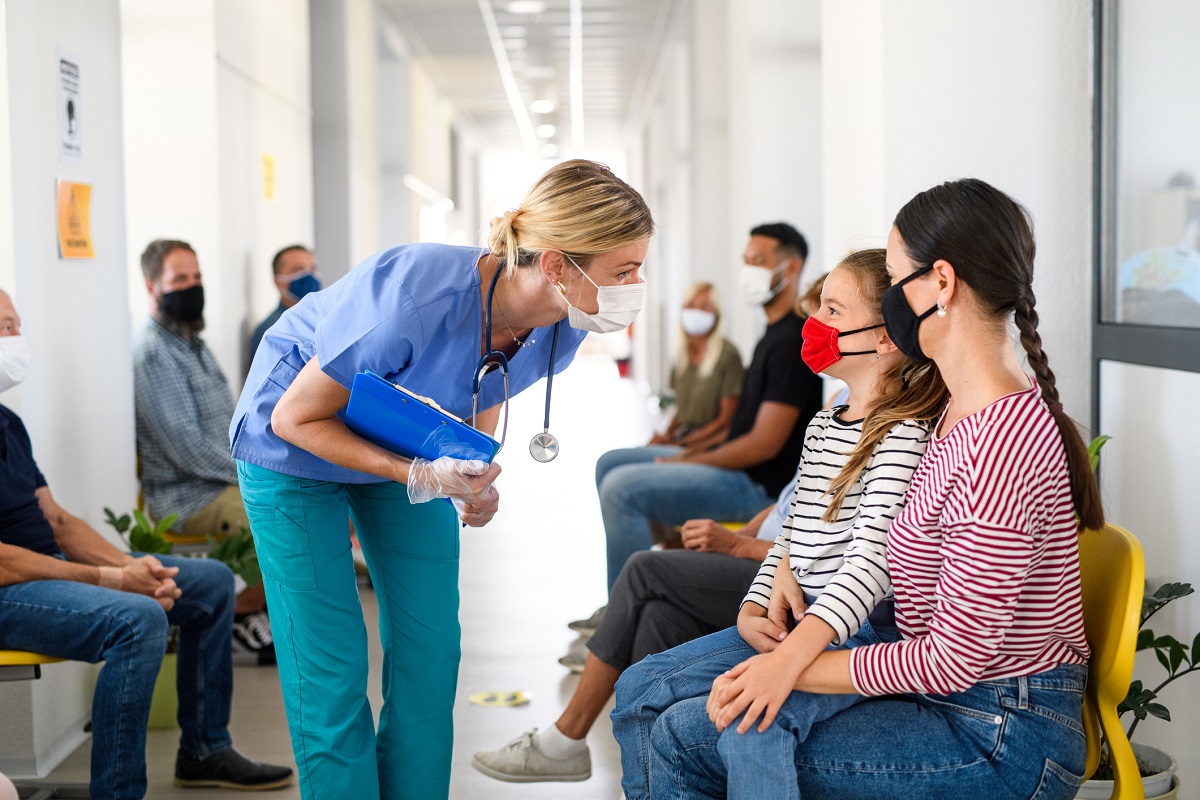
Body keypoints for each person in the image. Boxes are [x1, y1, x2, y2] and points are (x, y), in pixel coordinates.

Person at [632, 179, 1104, 800]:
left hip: (999, 733)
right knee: (683, 717)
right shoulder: (957, 411)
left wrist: (791, 667)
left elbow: (952, 660)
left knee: (687, 737)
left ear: (940, 283)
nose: (889, 304)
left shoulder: (999, 441)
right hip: (956, 702)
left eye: (894, 276)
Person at [229, 159, 654, 800]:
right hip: (292, 442)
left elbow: (480, 380)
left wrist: (470, 473)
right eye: (624, 270)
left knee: (432, 649)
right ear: (559, 266)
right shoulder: (414, 296)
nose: (636, 284)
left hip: (401, 432)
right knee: (330, 661)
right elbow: (296, 416)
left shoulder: (561, 325)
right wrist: (418, 472)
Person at [609, 247, 945, 798]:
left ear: (885, 339)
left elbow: (872, 565)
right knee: (639, 688)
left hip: (850, 638)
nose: (814, 325)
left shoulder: (903, 433)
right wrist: (751, 608)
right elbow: (793, 535)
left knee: (750, 723)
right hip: (793, 621)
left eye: (832, 312)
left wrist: (791, 655)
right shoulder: (825, 423)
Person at [0, 289, 293, 800]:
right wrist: (114, 579)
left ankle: (204, 751)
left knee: (212, 584)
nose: (17, 339)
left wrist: (138, 568)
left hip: (49, 565)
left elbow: (57, 521)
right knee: (136, 620)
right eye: (6, 327)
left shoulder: (8, 424)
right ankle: (118, 793)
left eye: (16, 326)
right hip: (11, 586)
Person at [473, 474, 794, 783]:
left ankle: (567, 737)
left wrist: (739, 545)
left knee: (643, 570)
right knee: (658, 615)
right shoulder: (824, 428)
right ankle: (650, 780)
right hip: (762, 552)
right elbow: (789, 502)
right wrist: (748, 531)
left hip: (783, 576)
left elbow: (820, 546)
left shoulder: (837, 430)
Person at [585, 222, 822, 615]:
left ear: (791, 269)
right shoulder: (771, 335)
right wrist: (682, 448)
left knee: (622, 489)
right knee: (610, 462)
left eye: (759, 262)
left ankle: (619, 616)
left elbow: (762, 444)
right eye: (746, 261)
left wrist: (685, 461)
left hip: (755, 487)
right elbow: (736, 426)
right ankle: (653, 572)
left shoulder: (793, 341)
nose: (749, 271)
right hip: (736, 469)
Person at [133, 239, 274, 664]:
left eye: (196, 277)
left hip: (219, 481)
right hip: (187, 496)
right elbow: (189, 450)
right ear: (152, 287)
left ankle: (258, 611)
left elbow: (229, 425)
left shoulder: (193, 344)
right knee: (280, 512)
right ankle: (239, 614)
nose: (192, 287)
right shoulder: (153, 355)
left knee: (299, 502)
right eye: (179, 279)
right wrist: (259, 470)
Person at [649, 282, 743, 449]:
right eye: (690, 305)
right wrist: (666, 435)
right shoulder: (681, 356)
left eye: (704, 306)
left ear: (716, 314)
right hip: (682, 437)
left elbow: (726, 420)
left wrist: (684, 442)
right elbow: (680, 410)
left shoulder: (728, 355)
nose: (696, 312)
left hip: (708, 444)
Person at [249, 244, 320, 360]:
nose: (309, 275)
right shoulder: (273, 330)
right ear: (278, 281)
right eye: (299, 269)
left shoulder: (322, 319)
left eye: (313, 268)